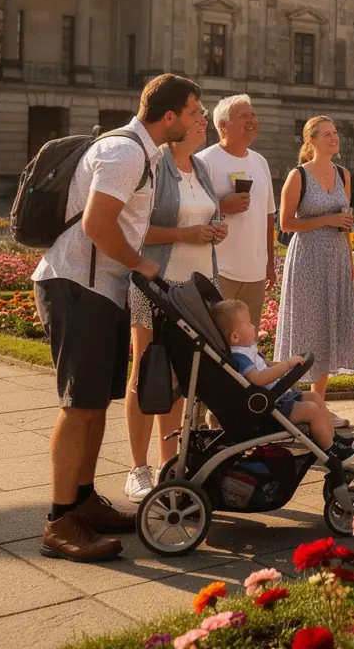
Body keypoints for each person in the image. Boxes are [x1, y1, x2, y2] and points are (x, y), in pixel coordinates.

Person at [31, 73, 203, 561]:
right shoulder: (126, 152)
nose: (198, 120)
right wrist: (141, 264)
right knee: (78, 404)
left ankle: (83, 500)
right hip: (77, 285)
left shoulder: (142, 151)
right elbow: (97, 223)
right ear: (169, 116)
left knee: (95, 403)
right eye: (194, 112)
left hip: (101, 289)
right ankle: (60, 521)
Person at [123, 104, 227, 502]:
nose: (203, 120)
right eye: (198, 115)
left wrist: (215, 231)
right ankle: (138, 468)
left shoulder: (199, 168)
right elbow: (137, 227)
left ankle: (170, 464)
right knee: (145, 370)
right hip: (156, 284)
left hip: (195, 289)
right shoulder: (156, 166)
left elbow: (203, 221)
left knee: (181, 377)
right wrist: (187, 234)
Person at [274, 116, 354, 428]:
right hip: (307, 259)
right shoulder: (298, 175)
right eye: (327, 134)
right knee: (304, 328)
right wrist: (325, 221)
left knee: (327, 328)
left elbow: (345, 220)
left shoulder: (343, 174)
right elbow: (286, 224)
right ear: (310, 140)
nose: (334, 138)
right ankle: (290, 406)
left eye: (335, 133)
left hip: (336, 257)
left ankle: (320, 406)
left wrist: (351, 260)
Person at [210, 300, 354, 462]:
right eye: (248, 324)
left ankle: (333, 438)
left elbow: (267, 365)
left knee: (315, 397)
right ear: (235, 337)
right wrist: (287, 364)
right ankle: (331, 452)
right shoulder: (240, 357)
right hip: (269, 408)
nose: (253, 326)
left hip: (278, 398)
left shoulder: (246, 350)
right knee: (311, 410)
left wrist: (291, 367)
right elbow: (259, 378)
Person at [196, 95, 276, 333]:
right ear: (222, 125)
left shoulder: (260, 162)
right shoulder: (204, 161)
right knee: (218, 339)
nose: (252, 120)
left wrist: (270, 262)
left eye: (253, 114)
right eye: (244, 116)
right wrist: (223, 207)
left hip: (255, 271)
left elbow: (268, 215)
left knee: (247, 340)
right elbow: (192, 213)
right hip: (218, 270)